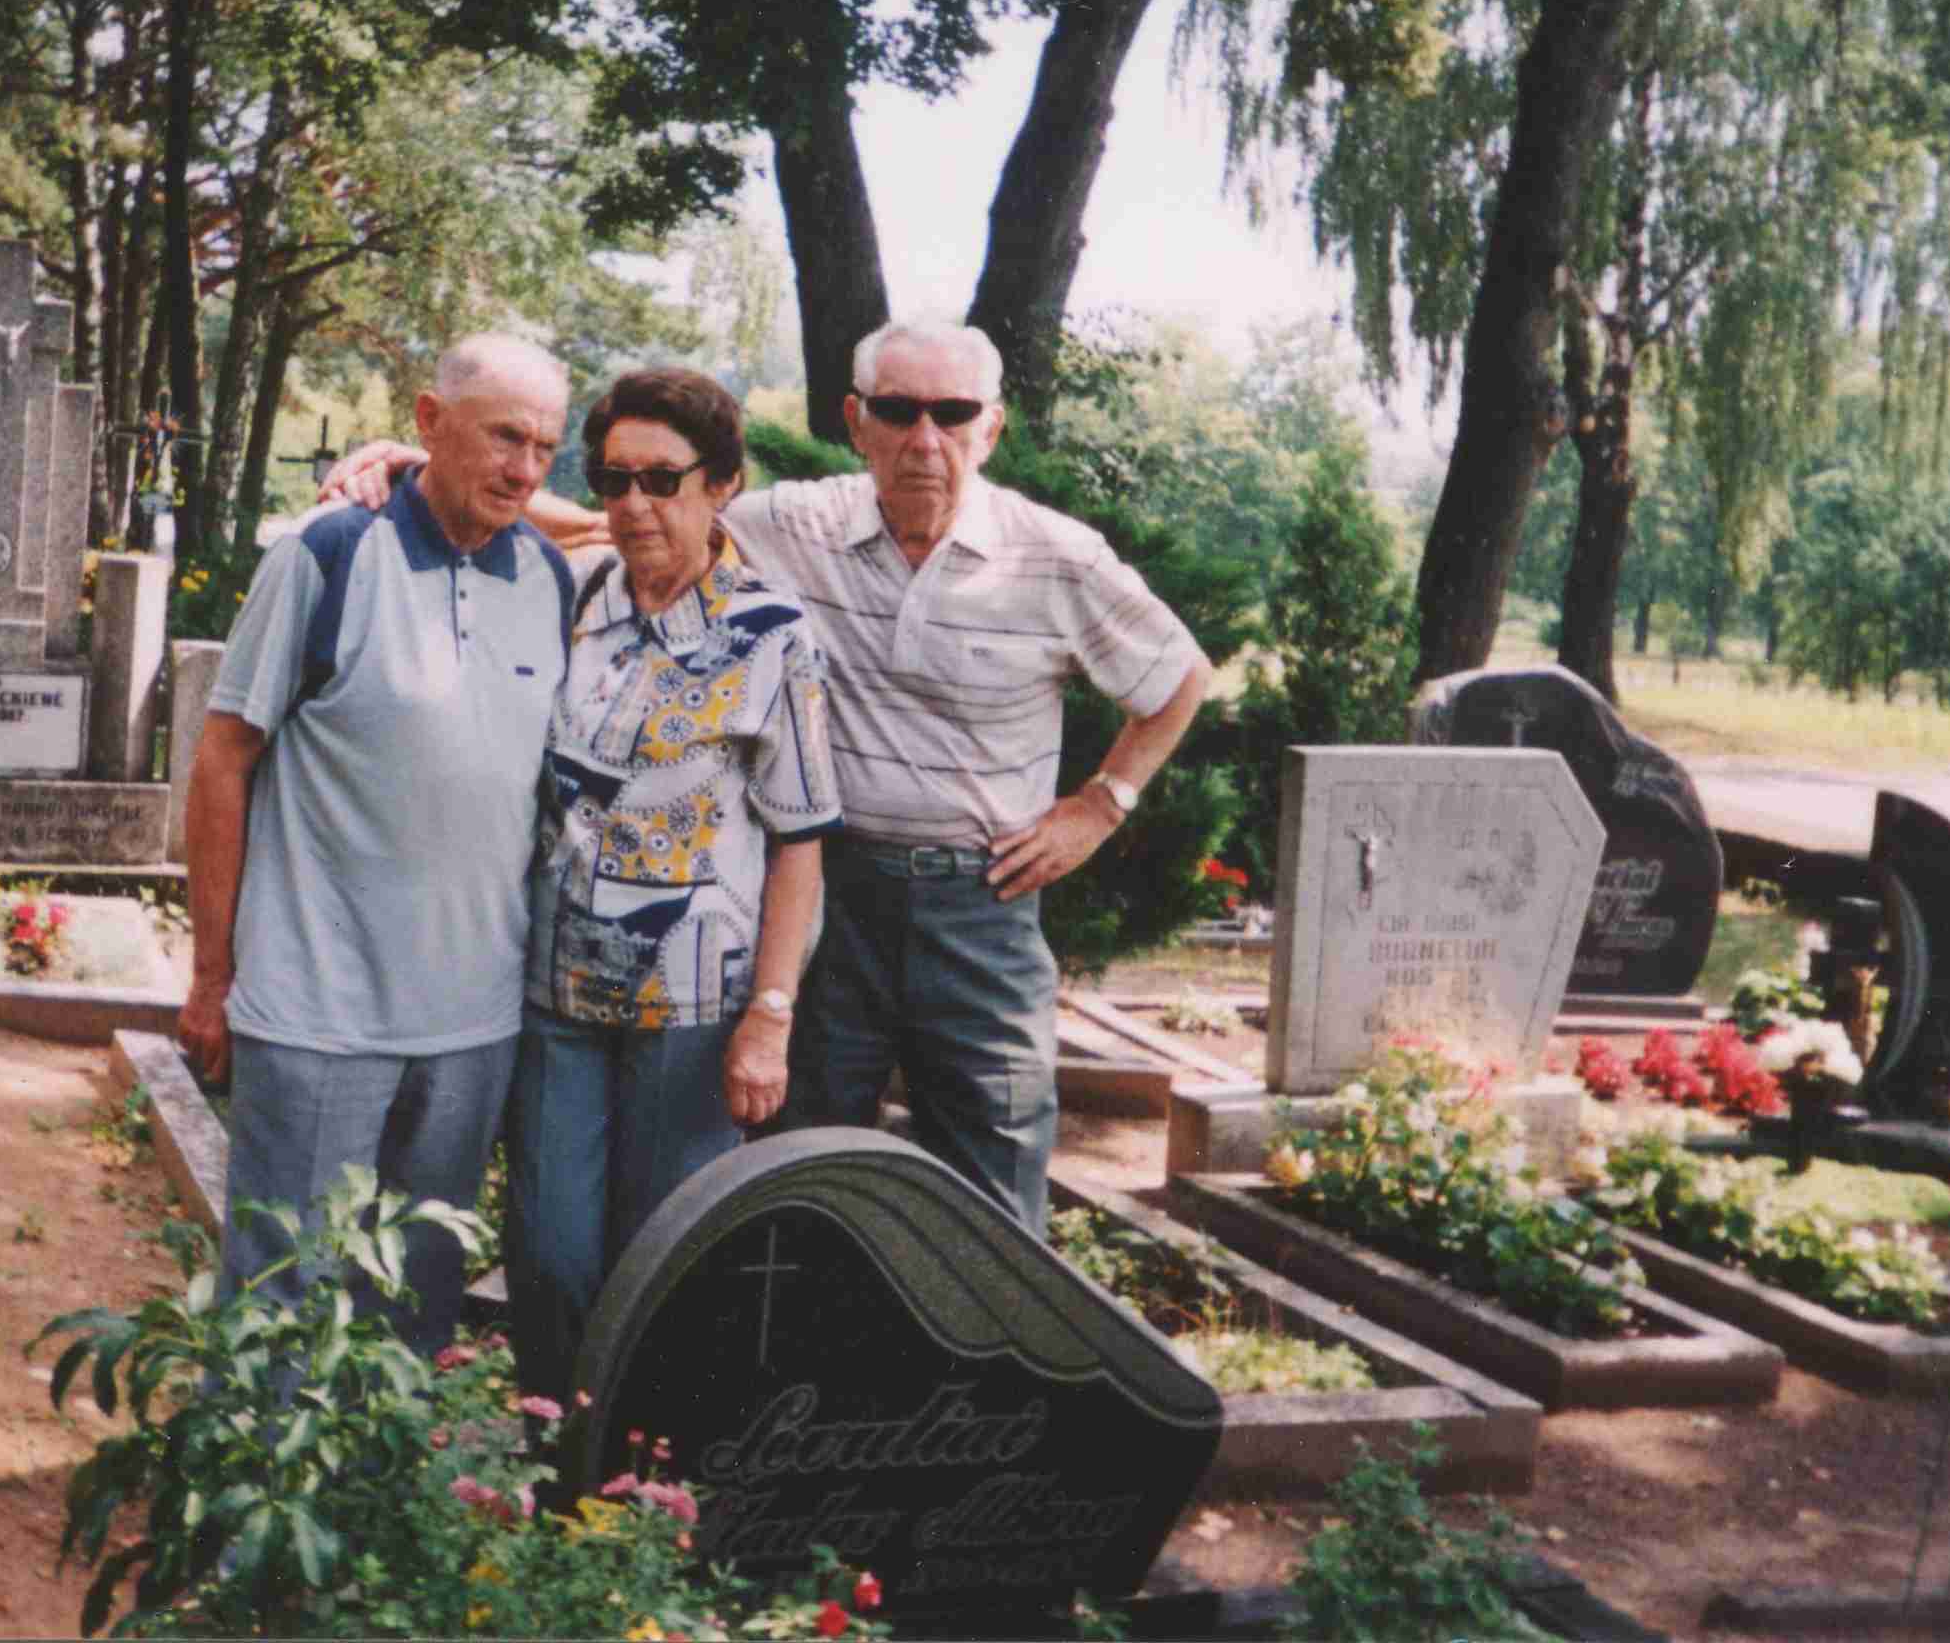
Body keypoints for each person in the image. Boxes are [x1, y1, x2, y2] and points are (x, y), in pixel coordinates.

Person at [321, 321, 1209, 1234]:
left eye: (952, 413)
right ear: (857, 422)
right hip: (835, 907)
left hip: (978, 904)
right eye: (898, 411)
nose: (924, 438)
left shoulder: (1056, 556)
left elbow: (1180, 676)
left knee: (994, 1188)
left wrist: (1102, 804)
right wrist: (424, 467)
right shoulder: (796, 523)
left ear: (992, 427)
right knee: (801, 1187)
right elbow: (628, 514)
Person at [180, 332, 573, 1356]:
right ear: (430, 421)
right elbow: (222, 760)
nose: (524, 469)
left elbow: (690, 519)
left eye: (545, 447)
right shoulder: (328, 554)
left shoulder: (551, 578)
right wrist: (210, 975)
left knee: (410, 1319)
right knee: (280, 1307)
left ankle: (374, 1474)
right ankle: (252, 1470)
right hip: (317, 1016)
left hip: (473, 1031)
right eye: (503, 437)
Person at [507, 367, 841, 1403]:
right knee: (548, 1256)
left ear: (723, 484)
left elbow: (800, 842)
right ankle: (554, 1457)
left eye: (663, 479)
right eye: (613, 480)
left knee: (661, 1269)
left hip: (693, 1011)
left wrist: (770, 1018)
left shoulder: (771, 635)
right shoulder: (574, 599)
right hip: (556, 992)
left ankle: (644, 1475)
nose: (634, 504)